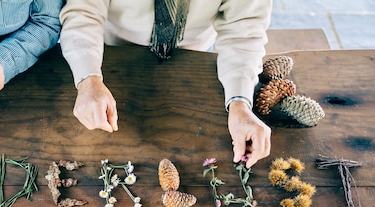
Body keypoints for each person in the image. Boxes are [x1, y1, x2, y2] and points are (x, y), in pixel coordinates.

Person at [59, 0, 273, 168]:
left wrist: (240, 103)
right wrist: (87, 77)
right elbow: (84, 13)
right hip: (112, 50)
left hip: (192, 52)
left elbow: (244, 30)